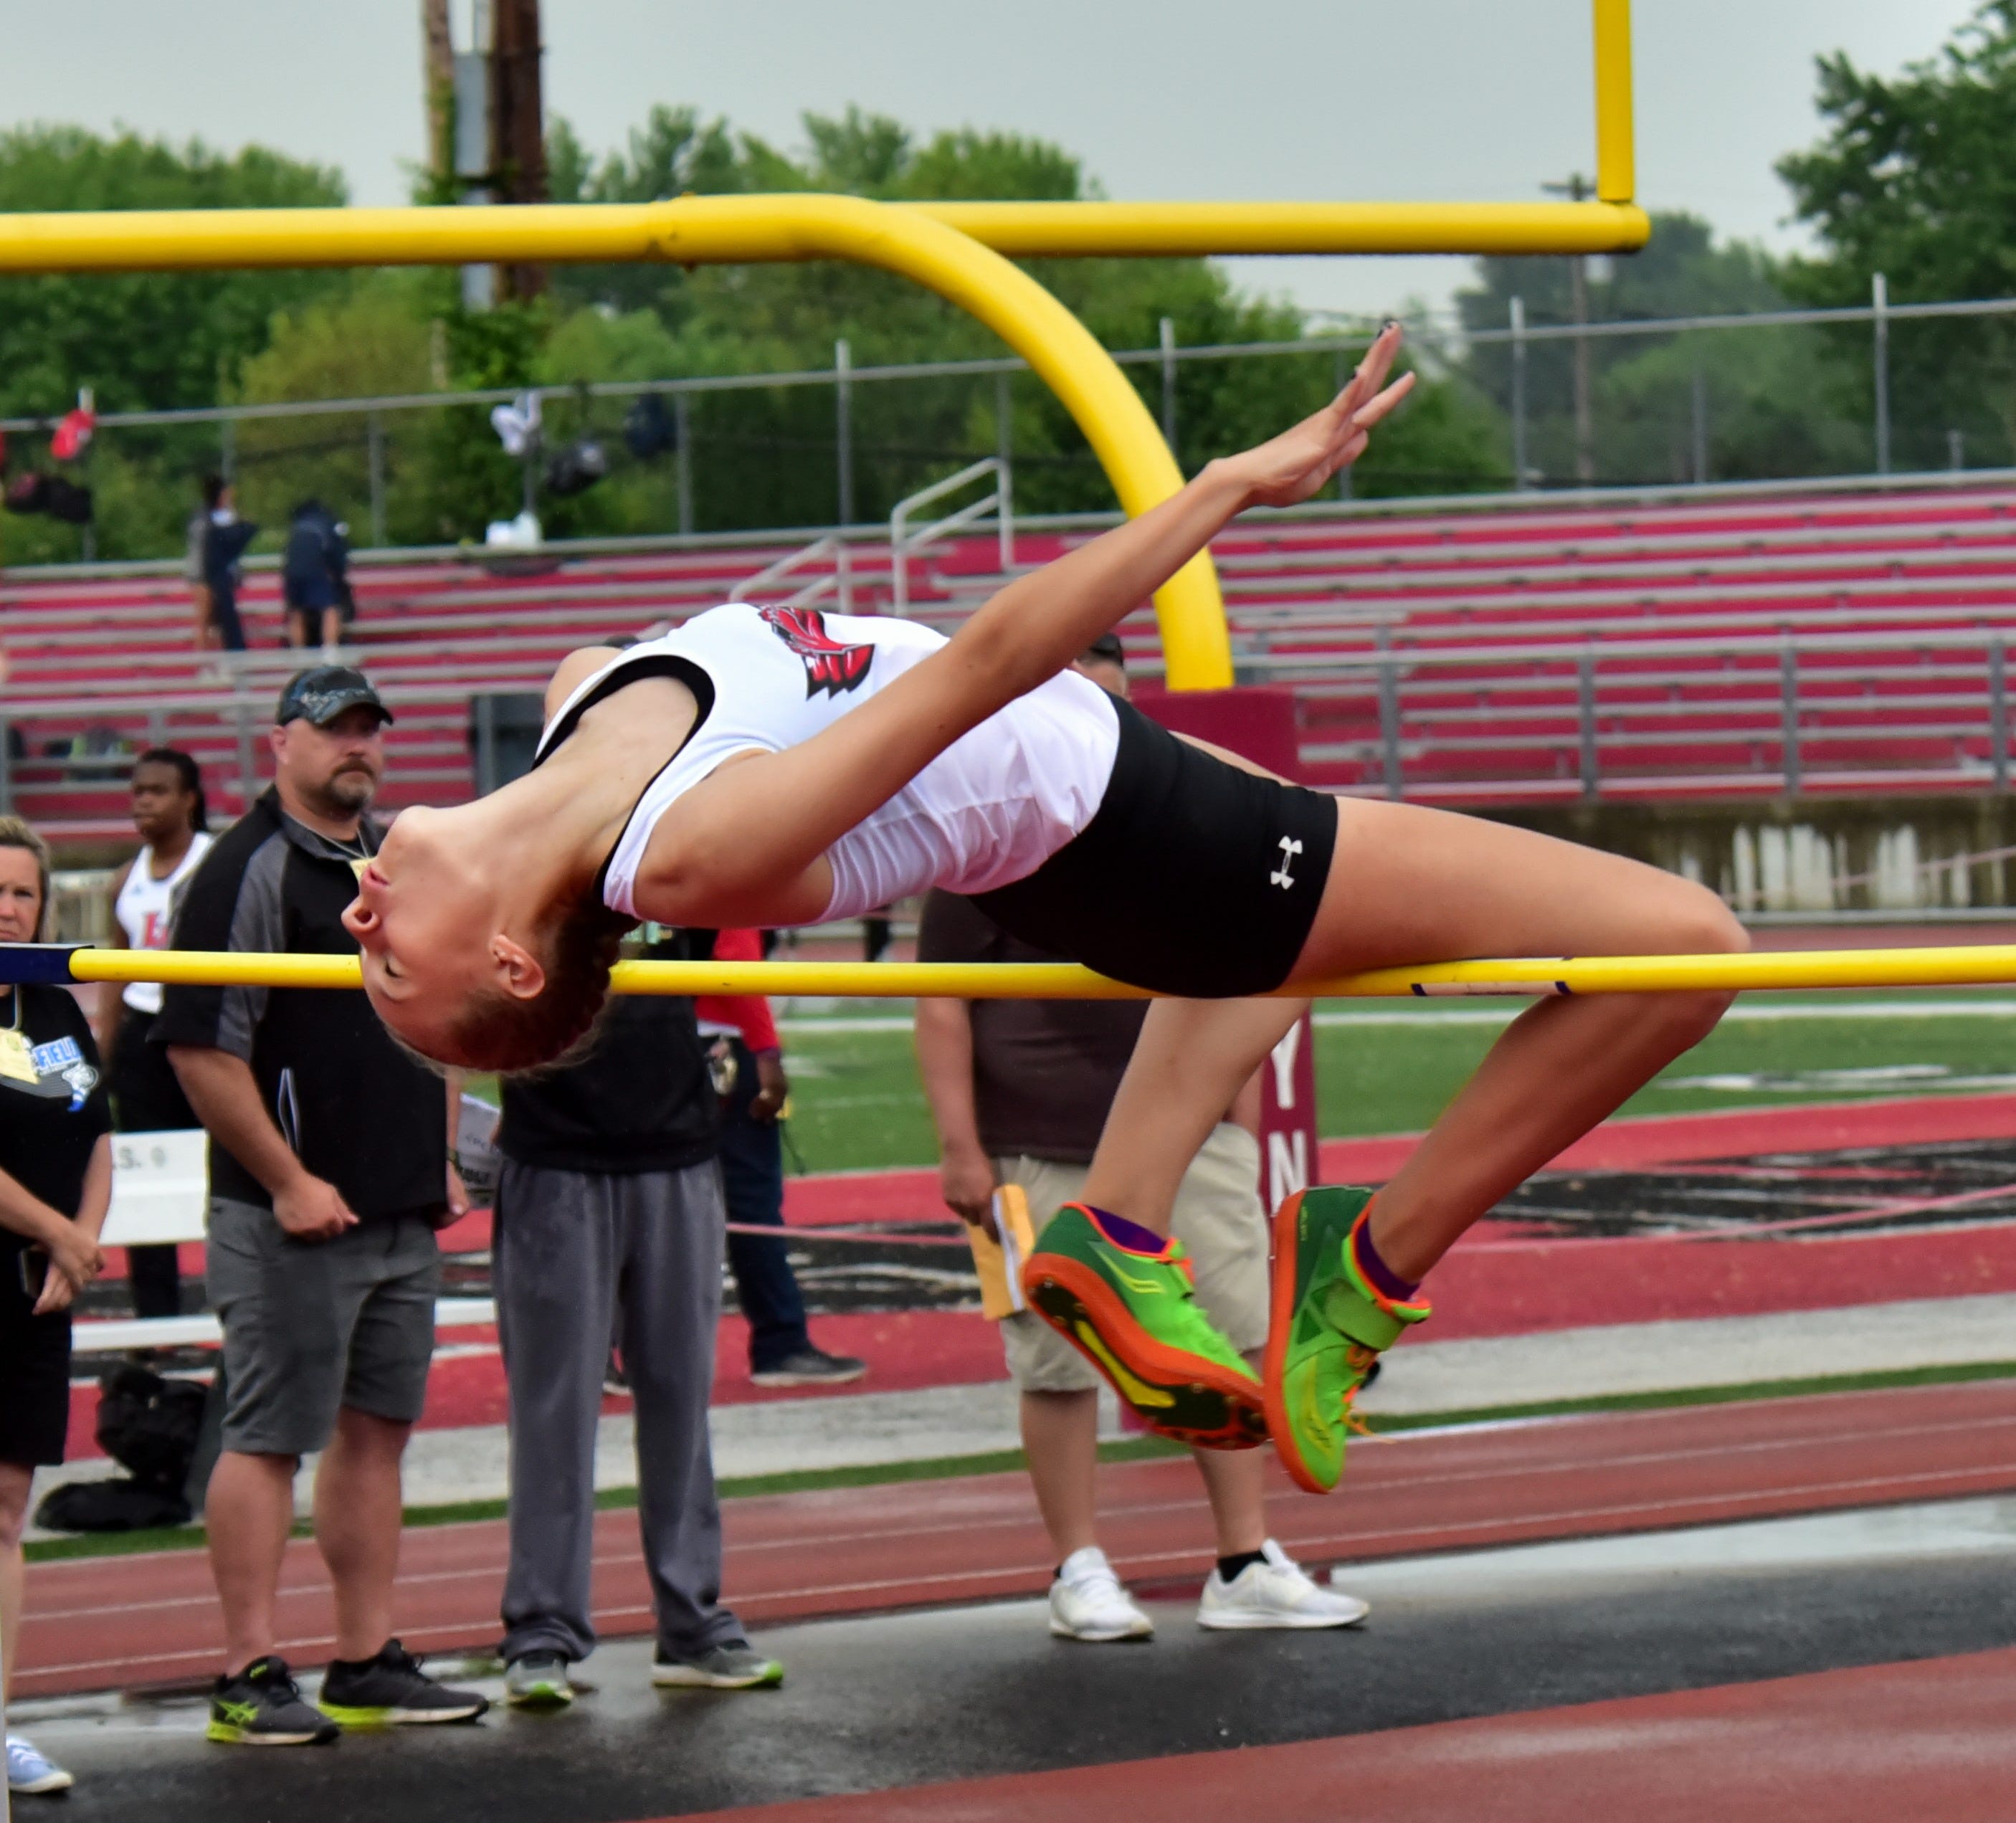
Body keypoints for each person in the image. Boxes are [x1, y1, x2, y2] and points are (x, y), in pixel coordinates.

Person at [341, 327, 1746, 1497]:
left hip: (1128, 809)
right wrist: (1232, 485)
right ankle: (1368, 1257)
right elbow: (995, 658)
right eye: (392, 969)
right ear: (515, 959)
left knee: (1299, 931)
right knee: (1683, 949)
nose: (358, 925)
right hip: (1156, 844)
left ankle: (1119, 1223)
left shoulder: (575, 697)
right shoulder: (696, 853)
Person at [915, 636, 1364, 1639]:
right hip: (1033, 1137)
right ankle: (1078, 1565)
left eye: (1110, 706)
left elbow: (1239, 957)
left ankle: (1245, 1555)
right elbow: (939, 1002)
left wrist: (1239, 1112)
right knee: (1054, 1362)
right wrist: (960, 1148)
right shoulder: (984, 832)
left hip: (1185, 1133)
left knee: (1234, 1328)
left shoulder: (1170, 816)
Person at [156, 666, 486, 1746]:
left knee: (378, 1431)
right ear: (282, 743)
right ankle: (247, 1668)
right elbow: (204, 1048)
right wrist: (289, 1180)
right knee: (267, 1435)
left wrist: (441, 1160)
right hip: (290, 1213)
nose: (358, 746)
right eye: (335, 729)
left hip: (398, 1208)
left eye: (369, 730)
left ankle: (363, 1656)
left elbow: (436, 1016)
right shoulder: (242, 870)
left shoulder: (395, 861)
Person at [494, 928, 784, 1706]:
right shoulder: (531, 849)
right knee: (554, 1408)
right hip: (554, 1156)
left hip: (678, 1153)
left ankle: (692, 1622)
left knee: (680, 1397)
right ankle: (541, 1630)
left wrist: (760, 1044)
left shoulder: (672, 849)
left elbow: (741, 929)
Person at [0, 817, 111, 1798]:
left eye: (24, 893)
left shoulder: (52, 1007)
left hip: (37, 1293)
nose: (9, 907)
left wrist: (80, 1240)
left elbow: (96, 1125)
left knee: (5, 1511)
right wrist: (63, 1233)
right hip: (29, 1258)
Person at [697, 928, 866, 1389]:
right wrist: (766, 1050)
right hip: (721, 1047)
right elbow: (736, 961)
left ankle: (612, 1349)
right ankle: (781, 1341)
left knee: (650, 1198)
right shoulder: (723, 868)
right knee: (752, 1201)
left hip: (653, 1040)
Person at [94, 749, 213, 1320]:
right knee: (147, 1174)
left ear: (189, 798)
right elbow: (118, 966)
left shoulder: (216, 864)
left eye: (157, 790)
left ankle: (241, 1307)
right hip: (145, 1037)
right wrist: (106, 1046)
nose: (143, 801)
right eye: (137, 790)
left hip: (207, 1032)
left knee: (225, 1171)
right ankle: (156, 1318)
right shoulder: (127, 877)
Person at [282, 500, 351, 653]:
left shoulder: (297, 526)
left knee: (296, 611)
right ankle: (331, 651)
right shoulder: (326, 524)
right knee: (330, 608)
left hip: (293, 570)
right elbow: (337, 557)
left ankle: (298, 652)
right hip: (315, 568)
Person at [200, 476, 257, 656]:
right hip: (210, 576)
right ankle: (209, 662)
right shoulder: (208, 521)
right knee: (211, 619)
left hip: (222, 574)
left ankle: (222, 658)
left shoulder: (224, 518)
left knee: (220, 619)